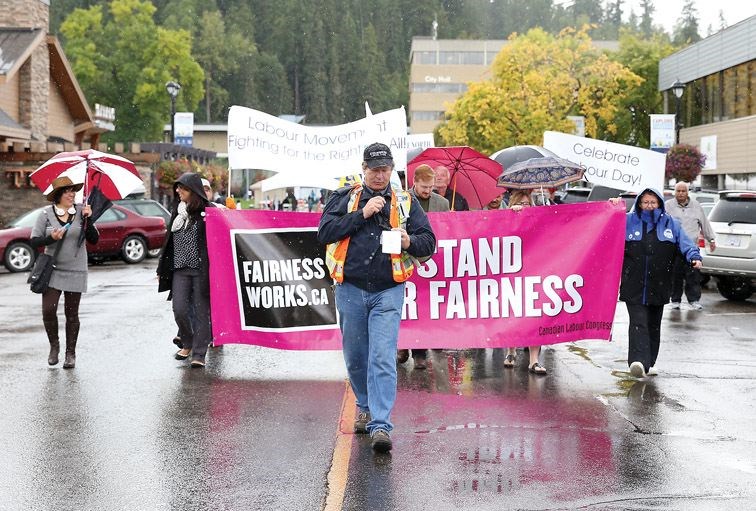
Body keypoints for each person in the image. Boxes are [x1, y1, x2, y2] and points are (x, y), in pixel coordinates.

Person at [317, 142, 436, 452]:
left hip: (388, 290)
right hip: (351, 289)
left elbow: (429, 243)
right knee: (356, 357)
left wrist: (410, 239)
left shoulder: (407, 202)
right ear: (364, 169)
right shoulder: (344, 198)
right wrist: (361, 214)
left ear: (391, 170)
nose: (380, 175)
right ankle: (365, 405)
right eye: (375, 169)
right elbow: (324, 233)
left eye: (385, 170)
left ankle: (381, 425)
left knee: (382, 356)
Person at [612, 188, 702, 378]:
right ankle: (638, 362)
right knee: (638, 322)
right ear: (639, 204)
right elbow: (606, 229)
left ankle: (650, 361)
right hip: (633, 282)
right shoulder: (626, 221)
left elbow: (686, 244)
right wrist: (611, 207)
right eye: (645, 203)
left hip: (659, 284)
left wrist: (694, 256)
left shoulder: (672, 224)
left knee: (653, 324)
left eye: (653, 203)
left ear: (660, 204)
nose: (649, 206)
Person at [30, 176, 99, 369]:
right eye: (67, 191)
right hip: (52, 269)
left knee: (72, 313)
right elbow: (34, 241)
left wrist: (89, 218)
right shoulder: (45, 214)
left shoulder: (81, 212)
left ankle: (71, 353)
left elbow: (94, 239)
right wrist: (50, 238)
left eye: (73, 191)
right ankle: (54, 346)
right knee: (48, 311)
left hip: (76, 268)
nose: (72, 194)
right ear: (58, 194)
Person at [157, 172, 217, 368]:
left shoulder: (209, 212)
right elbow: (169, 242)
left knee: (202, 313)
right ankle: (188, 340)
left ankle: (199, 353)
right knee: (180, 310)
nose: (177, 191)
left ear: (193, 191)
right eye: (177, 188)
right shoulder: (177, 211)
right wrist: (161, 268)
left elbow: (221, 236)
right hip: (179, 269)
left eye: (182, 188)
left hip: (201, 270)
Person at [397, 163, 449, 369]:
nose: (428, 191)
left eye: (431, 187)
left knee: (424, 306)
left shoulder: (443, 203)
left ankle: (420, 351)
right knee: (406, 306)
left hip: (432, 261)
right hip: (407, 258)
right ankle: (402, 346)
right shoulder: (401, 200)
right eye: (424, 187)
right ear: (414, 183)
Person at [501, 190, 548, 374]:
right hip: (513, 273)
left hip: (535, 272)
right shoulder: (505, 218)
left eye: (527, 203)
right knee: (513, 313)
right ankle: (511, 351)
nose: (524, 206)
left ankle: (534, 360)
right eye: (521, 203)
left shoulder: (538, 218)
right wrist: (510, 215)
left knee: (535, 315)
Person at [664, 182, 716, 310]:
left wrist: (711, 239)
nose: (680, 193)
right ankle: (675, 300)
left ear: (687, 192)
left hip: (692, 249)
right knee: (675, 276)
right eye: (678, 191)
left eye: (683, 191)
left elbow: (705, 223)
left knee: (693, 276)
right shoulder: (668, 206)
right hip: (674, 249)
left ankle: (694, 300)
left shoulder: (696, 206)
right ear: (674, 192)